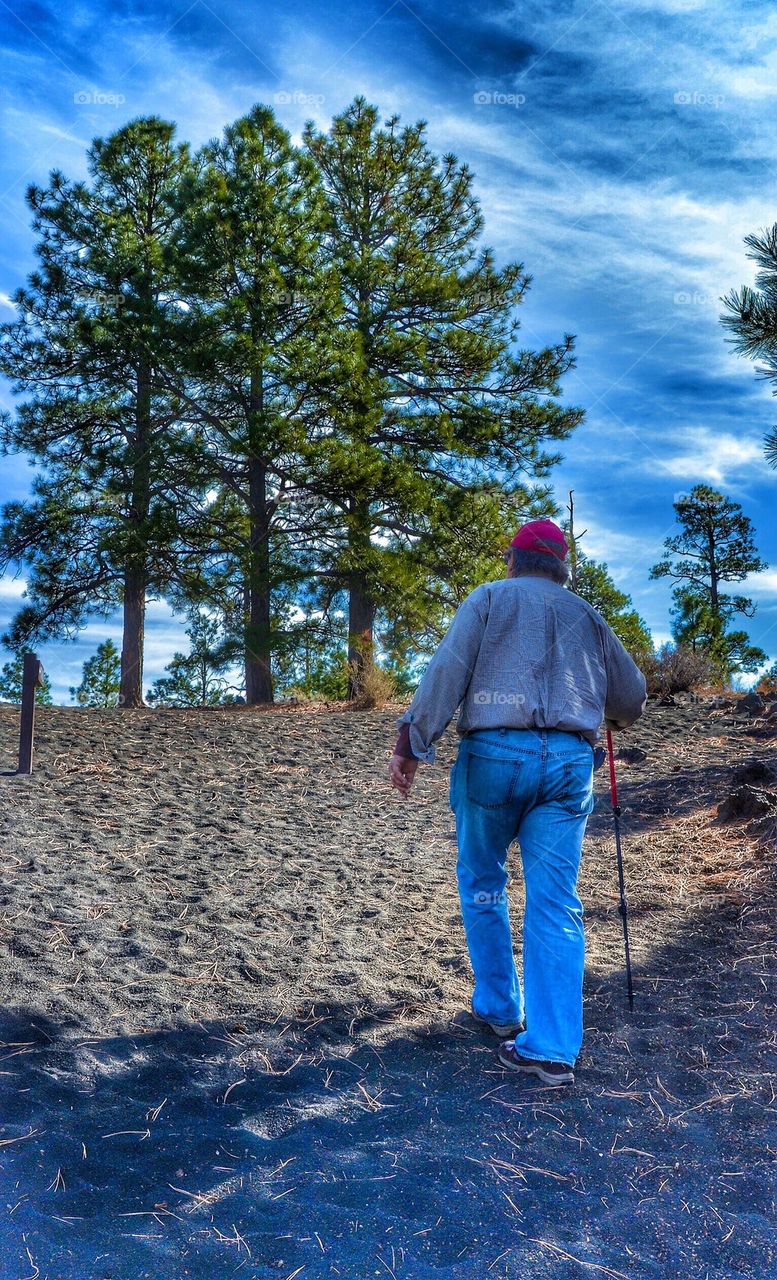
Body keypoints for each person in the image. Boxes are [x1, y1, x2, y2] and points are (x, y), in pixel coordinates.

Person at [387, 518, 647, 1086]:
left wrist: (413, 741)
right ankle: (552, 1048)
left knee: (483, 879)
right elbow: (631, 701)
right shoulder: (589, 616)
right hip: (569, 765)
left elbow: (447, 672)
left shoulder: (488, 599)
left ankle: (502, 1008)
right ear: (563, 567)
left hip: (493, 757)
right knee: (555, 901)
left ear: (513, 560)